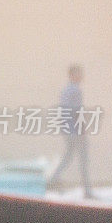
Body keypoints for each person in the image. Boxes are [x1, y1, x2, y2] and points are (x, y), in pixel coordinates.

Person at [47, 64, 94, 198]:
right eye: (79, 73)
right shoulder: (75, 90)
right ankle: (87, 191)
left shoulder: (66, 89)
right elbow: (76, 111)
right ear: (72, 75)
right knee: (83, 159)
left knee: (68, 156)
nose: (81, 76)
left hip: (67, 129)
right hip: (75, 130)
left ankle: (53, 179)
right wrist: (82, 129)